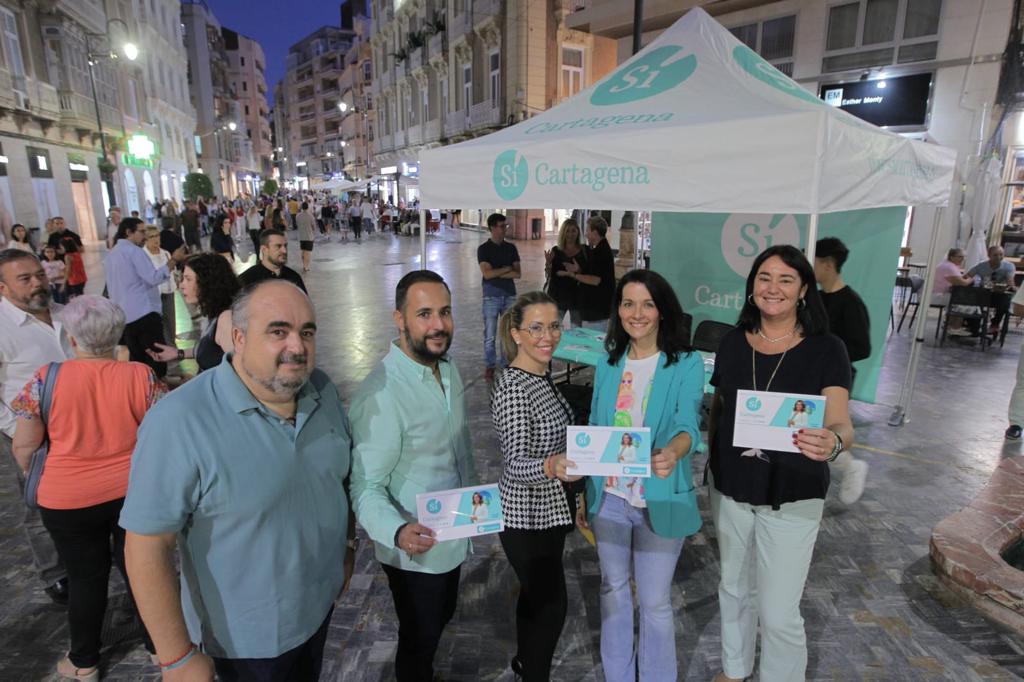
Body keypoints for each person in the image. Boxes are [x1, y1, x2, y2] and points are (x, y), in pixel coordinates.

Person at [121, 279, 356, 681]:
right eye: (278, 331)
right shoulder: (179, 421)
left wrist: (346, 548)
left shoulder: (322, 390)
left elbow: (338, 480)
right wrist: (176, 658)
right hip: (242, 644)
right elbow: (146, 547)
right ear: (238, 338)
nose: (297, 347)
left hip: (317, 612)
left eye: (307, 332)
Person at [707, 245, 855, 682]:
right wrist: (710, 462)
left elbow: (842, 423)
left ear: (804, 289)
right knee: (733, 588)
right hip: (732, 487)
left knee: (777, 611)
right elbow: (720, 407)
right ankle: (735, 670)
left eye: (786, 279)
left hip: (793, 490)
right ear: (752, 287)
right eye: (764, 278)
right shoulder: (734, 342)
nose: (773, 288)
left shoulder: (828, 349)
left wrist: (833, 443)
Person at [11, 295, 162, 681]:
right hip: (132, 493)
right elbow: (161, 434)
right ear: (116, 338)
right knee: (142, 571)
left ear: (73, 339)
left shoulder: (46, 378)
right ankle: (158, 646)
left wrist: (42, 477)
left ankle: (84, 662)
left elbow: (25, 445)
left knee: (85, 577)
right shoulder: (141, 376)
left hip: (67, 499)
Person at [349, 270, 477, 682]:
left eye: (444, 312)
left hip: (454, 530)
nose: (438, 324)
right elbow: (364, 486)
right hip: (415, 548)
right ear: (399, 319)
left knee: (439, 619)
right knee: (419, 640)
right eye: (424, 314)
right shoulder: (382, 394)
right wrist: (400, 530)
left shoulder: (449, 368)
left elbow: (461, 446)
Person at [580, 269, 703, 682]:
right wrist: (586, 490)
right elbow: (596, 429)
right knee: (613, 591)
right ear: (618, 310)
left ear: (663, 311)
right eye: (628, 303)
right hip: (611, 499)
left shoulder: (685, 363)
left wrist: (673, 451)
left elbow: (689, 423)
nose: (637, 313)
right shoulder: (608, 362)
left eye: (648, 304)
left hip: (660, 497)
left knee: (654, 602)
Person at [491, 290, 577, 681]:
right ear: (517, 333)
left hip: (551, 510)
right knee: (551, 607)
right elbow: (516, 463)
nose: (548, 336)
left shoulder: (543, 375)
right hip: (525, 517)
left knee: (535, 599)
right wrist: (553, 465)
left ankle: (526, 663)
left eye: (554, 326)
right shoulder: (513, 385)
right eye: (537, 328)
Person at [0, 249, 70, 605]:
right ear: (3, 287)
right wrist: (17, 428)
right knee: (39, 506)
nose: (37, 283)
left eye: (39, 274)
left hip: (78, 427)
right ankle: (55, 575)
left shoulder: (62, 312)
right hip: (32, 434)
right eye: (24, 279)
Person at [813, 237, 871, 504]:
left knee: (823, 432)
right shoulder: (814, 298)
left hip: (835, 378)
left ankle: (850, 467)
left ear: (827, 264)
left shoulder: (850, 303)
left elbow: (862, 347)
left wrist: (830, 352)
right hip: (807, 374)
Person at [147, 252, 239, 373]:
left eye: (188, 279)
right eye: (183, 279)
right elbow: (210, 350)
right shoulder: (214, 314)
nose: (181, 285)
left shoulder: (226, 319)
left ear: (208, 282)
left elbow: (238, 370)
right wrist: (179, 353)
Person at [105, 217, 171, 377]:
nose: (145, 236)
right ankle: (158, 392)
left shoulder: (111, 255)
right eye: (141, 232)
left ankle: (144, 393)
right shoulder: (134, 251)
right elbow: (153, 278)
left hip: (125, 317)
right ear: (129, 232)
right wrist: (172, 263)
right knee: (156, 360)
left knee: (138, 362)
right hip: (144, 313)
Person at [478, 213, 521, 381]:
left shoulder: (511, 248)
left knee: (507, 333)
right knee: (490, 334)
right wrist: (506, 269)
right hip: (491, 296)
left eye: (506, 226)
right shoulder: (483, 249)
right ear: (493, 228)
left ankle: (505, 363)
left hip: (509, 295)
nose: (505, 229)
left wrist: (498, 271)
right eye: (502, 226)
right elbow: (487, 274)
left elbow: (517, 273)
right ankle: (490, 364)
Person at [967, 245, 1017, 336]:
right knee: (971, 300)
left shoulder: (1009, 266)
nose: (999, 257)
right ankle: (973, 326)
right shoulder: (981, 266)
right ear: (989, 255)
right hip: (983, 294)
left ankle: (995, 324)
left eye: (1001, 254)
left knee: (1005, 302)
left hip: (999, 295)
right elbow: (967, 276)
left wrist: (1010, 286)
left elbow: (1010, 280)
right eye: (995, 255)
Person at [545, 218, 586, 328]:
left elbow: (588, 274)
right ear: (563, 233)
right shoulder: (556, 250)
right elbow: (549, 274)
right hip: (557, 295)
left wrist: (577, 270)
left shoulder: (584, 251)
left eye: (573, 231)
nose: (570, 234)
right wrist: (548, 264)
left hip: (576, 295)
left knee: (577, 331)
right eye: (567, 231)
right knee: (554, 328)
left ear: (578, 232)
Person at [238, 228, 307, 293]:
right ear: (264, 249)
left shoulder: (294, 277)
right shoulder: (247, 280)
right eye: (278, 246)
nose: (284, 251)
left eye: (285, 246)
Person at [577, 215, 616, 329]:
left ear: (595, 232)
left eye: (588, 230)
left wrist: (574, 275)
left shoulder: (601, 252)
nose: (586, 234)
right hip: (596, 309)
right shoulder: (600, 249)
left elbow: (595, 279)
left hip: (596, 310)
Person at [144, 225, 178, 348]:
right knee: (158, 321)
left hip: (168, 290)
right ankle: (163, 346)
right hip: (153, 293)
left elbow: (172, 270)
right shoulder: (143, 255)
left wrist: (176, 281)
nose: (156, 239)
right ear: (146, 239)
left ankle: (171, 345)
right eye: (151, 237)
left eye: (157, 236)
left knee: (171, 320)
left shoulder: (166, 253)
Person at [296, 201, 316, 272]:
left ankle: (303, 264)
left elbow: (297, 224)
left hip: (301, 236)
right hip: (309, 236)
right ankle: (306, 266)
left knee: (303, 251)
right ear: (307, 207)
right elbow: (314, 227)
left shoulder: (298, 215)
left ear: (302, 207)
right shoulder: (310, 216)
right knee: (308, 252)